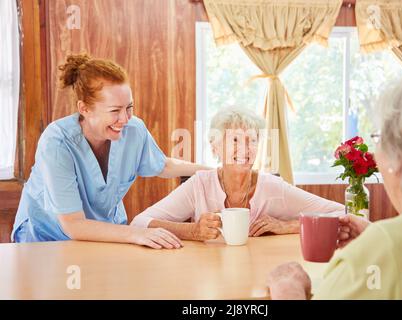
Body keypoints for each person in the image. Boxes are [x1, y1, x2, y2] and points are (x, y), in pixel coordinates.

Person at [268, 62, 402, 299]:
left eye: (379, 138)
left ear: (401, 157)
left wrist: (287, 290)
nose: (375, 154)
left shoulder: (384, 249)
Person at [11, 53, 209, 249]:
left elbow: (163, 165)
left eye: (129, 107)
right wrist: (138, 233)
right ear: (84, 109)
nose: (125, 118)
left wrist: (212, 171)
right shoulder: (57, 143)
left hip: (104, 234)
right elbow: (73, 224)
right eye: (115, 111)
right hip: (46, 239)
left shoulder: (133, 130)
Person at [130, 106, 344, 241]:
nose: (245, 148)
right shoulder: (199, 185)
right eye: (234, 140)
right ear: (215, 147)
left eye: (252, 140)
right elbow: (140, 223)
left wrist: (286, 226)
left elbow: (342, 213)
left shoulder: (272, 187)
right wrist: (193, 231)